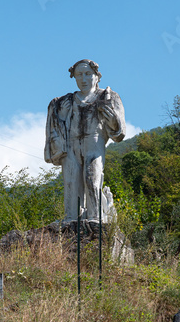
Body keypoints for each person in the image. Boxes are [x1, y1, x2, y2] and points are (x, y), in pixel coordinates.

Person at [44, 59, 125, 223]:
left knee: (92, 178)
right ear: (74, 77)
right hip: (71, 147)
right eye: (79, 75)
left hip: (93, 145)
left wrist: (112, 118)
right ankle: (70, 219)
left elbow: (119, 133)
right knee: (71, 183)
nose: (84, 79)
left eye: (88, 74)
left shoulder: (108, 97)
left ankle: (95, 217)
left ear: (97, 76)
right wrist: (61, 115)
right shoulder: (63, 102)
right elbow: (54, 126)